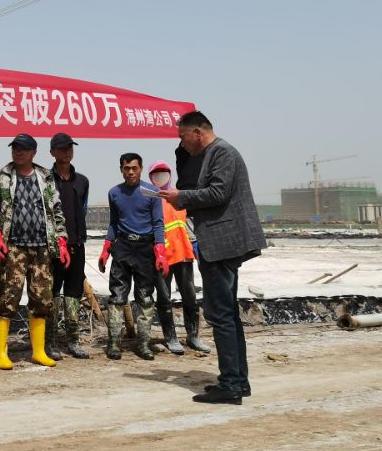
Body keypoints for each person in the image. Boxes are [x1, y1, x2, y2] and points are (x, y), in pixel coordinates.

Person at [160, 111, 266, 405]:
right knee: (227, 314)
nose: (182, 143)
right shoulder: (212, 154)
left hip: (222, 244)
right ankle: (237, 381)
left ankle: (231, 385)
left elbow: (218, 193)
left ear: (197, 132)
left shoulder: (222, 152)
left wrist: (181, 198)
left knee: (220, 315)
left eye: (183, 137)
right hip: (220, 244)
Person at [0, 133, 70, 370]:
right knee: (8, 298)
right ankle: (1, 352)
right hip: (14, 247)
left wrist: (62, 241)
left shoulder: (45, 177)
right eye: (15, 148)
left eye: (23, 149)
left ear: (33, 152)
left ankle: (38, 351)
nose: (18, 152)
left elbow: (57, 211)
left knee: (42, 300)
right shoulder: (1, 177)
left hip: (42, 247)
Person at [97, 153, 167, 361]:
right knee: (117, 296)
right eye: (126, 168)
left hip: (145, 248)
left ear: (141, 169)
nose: (130, 172)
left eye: (134, 168)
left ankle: (143, 343)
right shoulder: (114, 193)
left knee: (145, 297)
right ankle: (113, 343)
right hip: (123, 247)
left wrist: (160, 251)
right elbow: (113, 223)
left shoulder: (152, 192)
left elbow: (158, 223)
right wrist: (106, 249)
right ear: (121, 169)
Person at [147, 160, 210, 355]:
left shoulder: (179, 196)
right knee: (164, 298)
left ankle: (193, 336)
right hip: (161, 256)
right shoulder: (150, 198)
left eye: (163, 172)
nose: (160, 176)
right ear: (150, 177)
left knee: (190, 296)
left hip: (183, 253)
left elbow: (189, 224)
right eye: (156, 173)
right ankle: (171, 337)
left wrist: (196, 247)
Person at [47, 132, 90, 359]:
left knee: (73, 294)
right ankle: (51, 341)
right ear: (52, 152)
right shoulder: (45, 180)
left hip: (77, 245)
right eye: (62, 148)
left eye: (70, 147)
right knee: (53, 293)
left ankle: (73, 340)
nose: (67, 151)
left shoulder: (82, 181)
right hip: (53, 248)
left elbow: (82, 209)